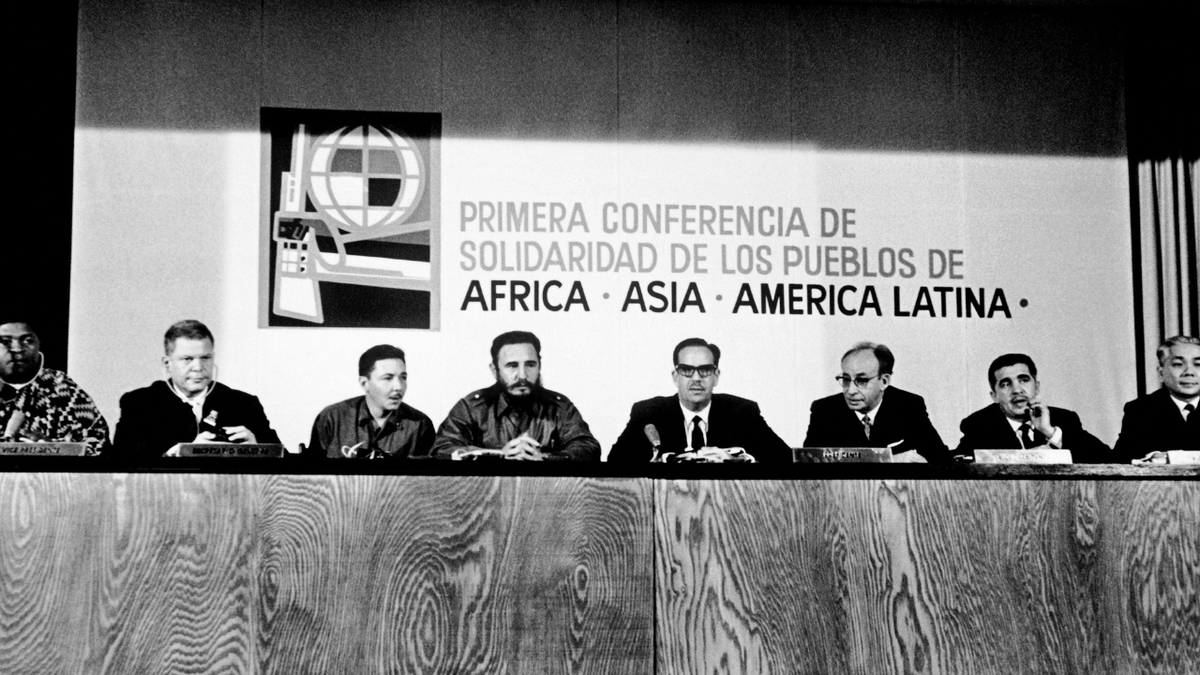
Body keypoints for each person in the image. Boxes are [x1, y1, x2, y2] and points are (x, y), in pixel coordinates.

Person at [112, 320, 280, 459]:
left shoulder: (243, 404)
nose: (198, 367)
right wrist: (179, 454)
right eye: (187, 359)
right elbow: (120, 460)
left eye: (206, 358)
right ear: (167, 364)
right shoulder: (138, 404)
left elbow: (286, 462)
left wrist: (258, 450)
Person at [609, 337, 792, 463]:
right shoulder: (650, 413)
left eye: (705, 370)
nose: (696, 378)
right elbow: (616, 463)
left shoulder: (741, 412)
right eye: (687, 370)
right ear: (675, 376)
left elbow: (785, 459)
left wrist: (739, 460)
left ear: (716, 376)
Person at [431, 331, 600, 461]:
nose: (522, 375)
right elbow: (442, 449)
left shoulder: (559, 407)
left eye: (530, 365)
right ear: (494, 369)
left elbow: (587, 447)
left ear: (539, 365)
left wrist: (545, 458)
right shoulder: (472, 408)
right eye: (512, 366)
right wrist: (496, 456)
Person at [802, 342, 947, 462]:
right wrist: (889, 460)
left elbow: (940, 459)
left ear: (884, 381)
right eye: (846, 380)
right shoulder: (825, 410)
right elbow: (808, 464)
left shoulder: (908, 406)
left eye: (862, 380)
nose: (850, 390)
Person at [955, 353, 1110, 462]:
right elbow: (957, 467)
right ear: (994, 395)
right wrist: (1026, 458)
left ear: (1036, 387)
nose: (1017, 390)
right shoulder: (979, 425)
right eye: (1005, 384)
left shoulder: (1064, 419)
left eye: (1023, 380)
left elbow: (1109, 460)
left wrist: (1050, 433)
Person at [305, 344, 435, 459]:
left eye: (403, 377)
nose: (399, 386)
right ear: (364, 383)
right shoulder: (332, 418)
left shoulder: (420, 425)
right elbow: (311, 476)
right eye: (388, 378)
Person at [0, 319, 109, 454]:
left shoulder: (61, 388)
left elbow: (98, 447)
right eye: (5, 342)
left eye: (28, 340)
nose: (17, 349)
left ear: (39, 344)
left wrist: (52, 449)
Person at [1113, 335, 1200, 461]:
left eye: (1198, 364)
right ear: (1161, 373)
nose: (1189, 372)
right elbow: (1126, 460)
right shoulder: (1140, 410)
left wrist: (1172, 457)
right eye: (1178, 364)